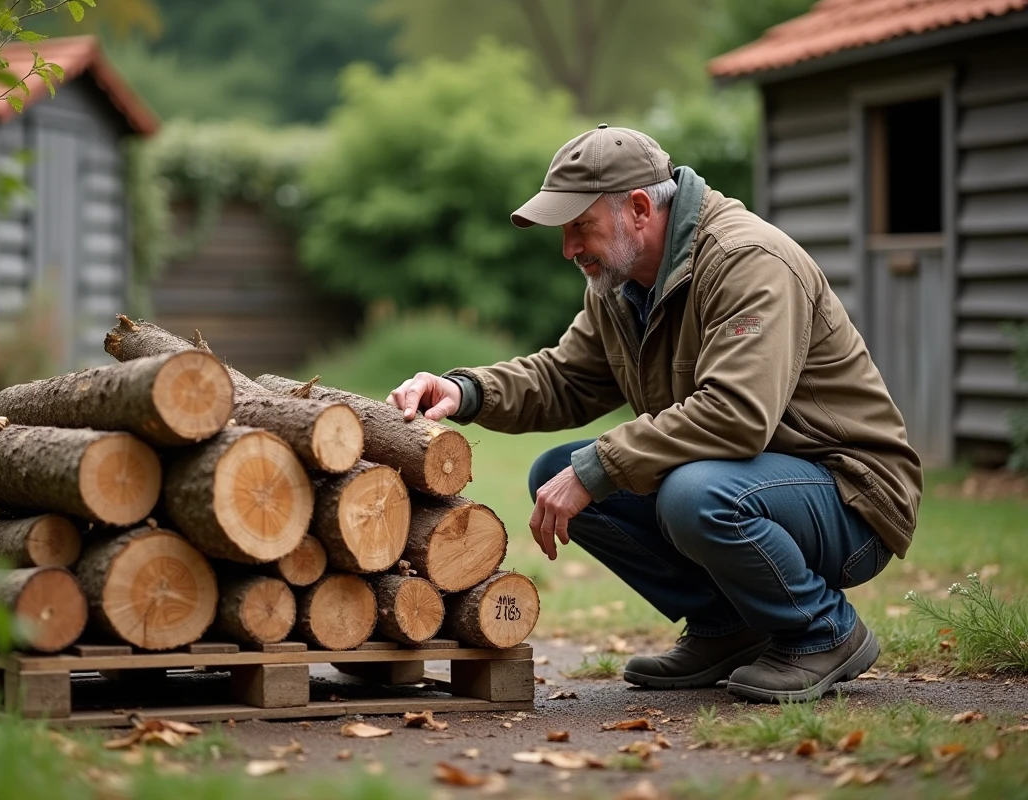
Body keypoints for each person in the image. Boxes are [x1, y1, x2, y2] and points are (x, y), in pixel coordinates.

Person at [387, 125, 923, 703]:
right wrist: (465, 390)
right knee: (555, 472)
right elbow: (565, 378)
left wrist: (598, 467)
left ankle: (822, 632)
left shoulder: (747, 261)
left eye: (579, 226)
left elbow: (735, 414)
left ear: (639, 209)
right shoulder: (620, 283)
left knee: (690, 493)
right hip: (750, 482)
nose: (569, 248)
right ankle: (728, 626)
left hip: (850, 497)